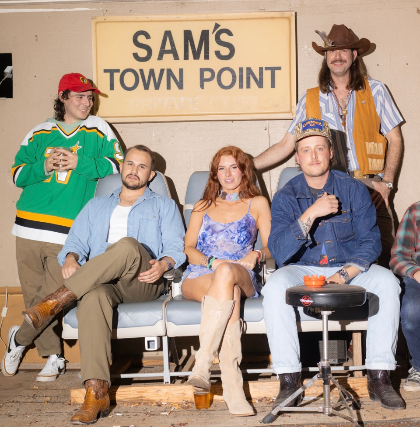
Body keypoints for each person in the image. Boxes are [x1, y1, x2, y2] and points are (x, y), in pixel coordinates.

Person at [19, 145, 185, 424]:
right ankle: (96, 393)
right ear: (121, 167)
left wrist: (164, 264)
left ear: (151, 175)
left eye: (142, 166)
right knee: (94, 295)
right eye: (130, 164)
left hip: (143, 280)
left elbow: (176, 248)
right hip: (104, 282)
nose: (134, 170)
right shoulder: (95, 205)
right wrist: (70, 258)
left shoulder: (163, 205)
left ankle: (55, 301)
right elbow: (74, 244)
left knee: (127, 245)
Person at [262, 118, 404, 413]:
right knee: (274, 286)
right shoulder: (286, 195)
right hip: (304, 268)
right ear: (297, 157)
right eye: (305, 150)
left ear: (331, 153)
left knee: (388, 282)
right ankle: (288, 381)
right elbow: (279, 251)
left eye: (319, 148)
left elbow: (371, 242)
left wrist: (344, 274)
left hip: (348, 267)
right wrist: (310, 214)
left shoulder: (354, 189)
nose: (313, 156)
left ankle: (379, 377)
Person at [2, 73, 123, 381]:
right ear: (63, 97)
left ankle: (19, 338)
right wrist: (43, 166)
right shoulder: (39, 132)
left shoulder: (98, 128)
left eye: (90, 97)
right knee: (33, 296)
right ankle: (53, 355)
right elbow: (16, 174)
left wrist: (79, 163)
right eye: (80, 96)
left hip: (69, 230)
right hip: (27, 225)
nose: (87, 102)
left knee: (53, 298)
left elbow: (118, 167)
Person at [253, 24, 403, 268]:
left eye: (344, 50)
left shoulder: (376, 91)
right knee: (326, 262)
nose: (337, 56)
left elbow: (395, 139)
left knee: (380, 262)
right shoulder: (310, 98)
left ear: (354, 55)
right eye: (332, 51)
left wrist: (387, 183)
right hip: (330, 192)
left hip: (371, 190)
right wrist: (246, 165)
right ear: (325, 56)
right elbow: (285, 145)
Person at [182, 146, 271, 416]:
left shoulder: (258, 203)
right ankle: (233, 388)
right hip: (200, 273)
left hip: (242, 272)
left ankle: (202, 364)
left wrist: (257, 253)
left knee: (227, 275)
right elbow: (188, 249)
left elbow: (271, 248)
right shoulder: (203, 205)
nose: (228, 174)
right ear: (215, 174)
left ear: (244, 171)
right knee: (227, 288)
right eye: (222, 168)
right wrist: (212, 262)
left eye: (234, 167)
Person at [390, 202, 420, 391]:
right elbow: (398, 256)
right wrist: (416, 273)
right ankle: (419, 366)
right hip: (418, 275)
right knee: (411, 313)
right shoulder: (416, 211)